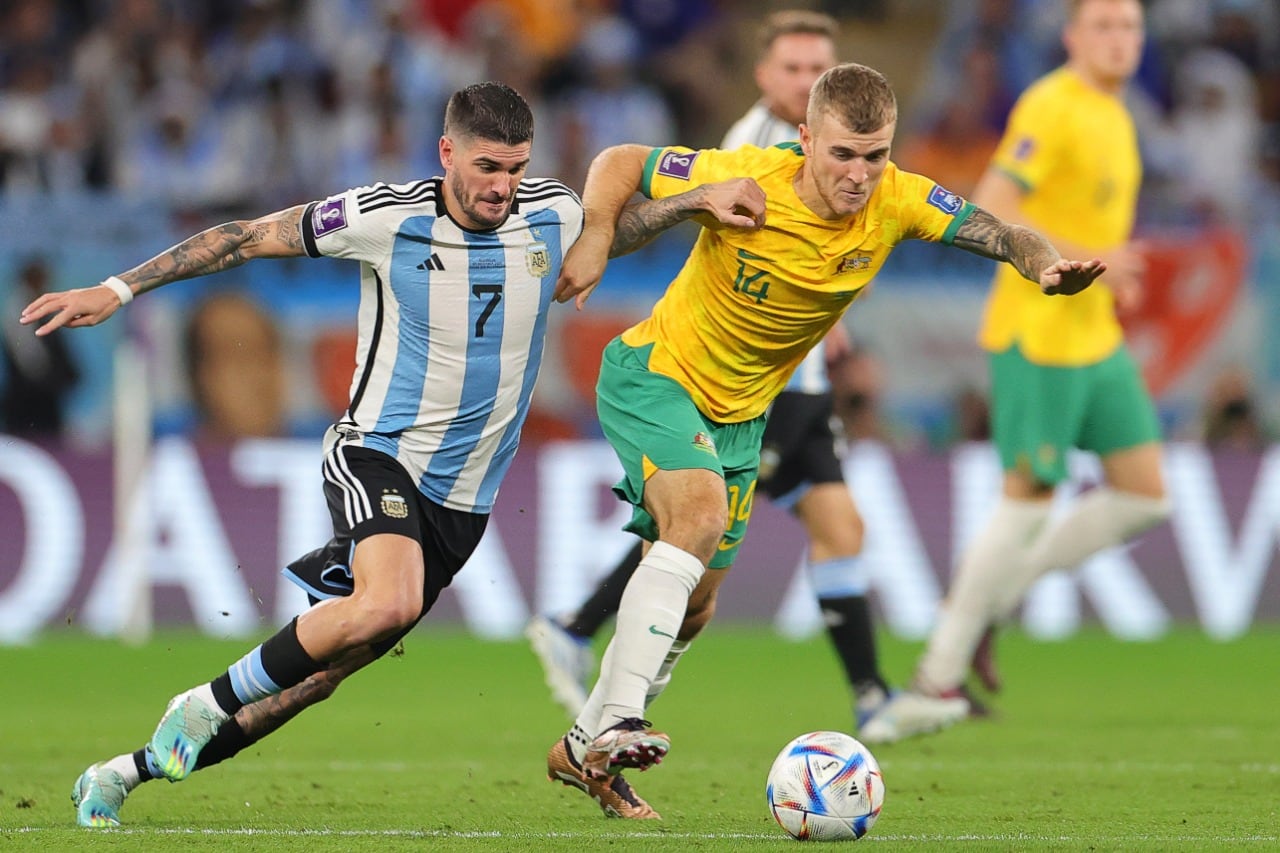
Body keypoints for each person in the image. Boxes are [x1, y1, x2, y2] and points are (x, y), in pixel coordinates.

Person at [543, 61, 1106, 819]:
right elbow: (619, 164)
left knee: (697, 605)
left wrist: (1045, 269)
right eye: (842, 154)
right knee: (699, 513)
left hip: (743, 417)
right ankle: (618, 721)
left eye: (875, 156)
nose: (860, 174)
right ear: (806, 140)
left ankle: (582, 749)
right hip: (657, 373)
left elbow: (1002, 232)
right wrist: (603, 231)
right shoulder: (747, 174)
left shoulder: (900, 200)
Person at [20, 82, 588, 829]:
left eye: (516, 168)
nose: (503, 187)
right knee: (388, 599)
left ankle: (125, 771)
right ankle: (202, 700)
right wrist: (120, 288)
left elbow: (623, 207)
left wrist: (695, 202)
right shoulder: (385, 217)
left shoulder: (554, 211)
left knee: (312, 681)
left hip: (464, 501)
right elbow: (248, 236)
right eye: (487, 167)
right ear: (447, 151)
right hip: (376, 453)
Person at [526, 9, 966, 747]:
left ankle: (580, 654)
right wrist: (616, 227)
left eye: (816, 69)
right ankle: (866, 696)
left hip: (778, 386)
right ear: (769, 83)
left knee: (712, 581)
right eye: (792, 70)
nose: (804, 81)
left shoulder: (863, 167)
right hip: (725, 376)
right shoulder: (751, 152)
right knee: (700, 519)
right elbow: (659, 188)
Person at [910, 0, 1171, 706]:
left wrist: (1115, 274)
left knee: (1146, 494)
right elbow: (995, 201)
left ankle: (994, 599)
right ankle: (936, 674)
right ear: (1073, 36)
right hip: (1040, 331)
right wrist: (1096, 256)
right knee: (1028, 499)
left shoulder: (1118, 111)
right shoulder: (1052, 104)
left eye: (1130, 28)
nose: (1119, 40)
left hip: (1097, 334)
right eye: (1105, 27)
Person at [1, 256, 81, 437]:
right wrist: (57, 379)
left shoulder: (42, 311)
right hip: (28, 402)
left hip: (44, 399)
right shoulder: (18, 313)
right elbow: (30, 360)